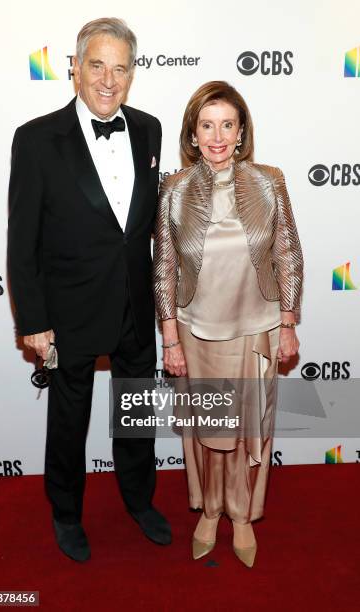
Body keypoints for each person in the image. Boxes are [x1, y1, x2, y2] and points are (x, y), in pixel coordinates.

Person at [7, 18, 171, 562]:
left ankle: (139, 500)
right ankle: (66, 512)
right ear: (74, 68)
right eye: (96, 65)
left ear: (132, 74)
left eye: (120, 68)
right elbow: (22, 239)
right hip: (68, 308)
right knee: (69, 419)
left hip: (133, 302)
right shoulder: (35, 138)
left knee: (136, 411)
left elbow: (144, 225)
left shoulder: (149, 128)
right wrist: (32, 320)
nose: (108, 79)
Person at [153, 81, 303, 567]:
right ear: (193, 134)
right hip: (197, 331)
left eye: (228, 124)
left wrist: (287, 322)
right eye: (207, 125)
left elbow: (287, 253)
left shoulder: (269, 181)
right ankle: (210, 510)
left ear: (241, 132)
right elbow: (164, 265)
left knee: (248, 430)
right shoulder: (174, 189)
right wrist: (170, 338)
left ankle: (242, 515)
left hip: (254, 327)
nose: (217, 136)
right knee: (207, 429)